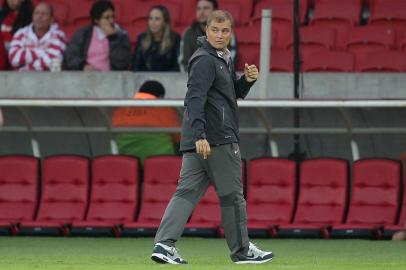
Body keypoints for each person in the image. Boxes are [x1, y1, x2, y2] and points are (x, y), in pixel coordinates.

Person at [150, 10, 273, 265]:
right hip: (215, 139)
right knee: (232, 196)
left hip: (200, 140)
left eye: (225, 31)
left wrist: (246, 82)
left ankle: (164, 244)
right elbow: (195, 100)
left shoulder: (220, 57)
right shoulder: (206, 60)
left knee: (185, 193)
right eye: (215, 30)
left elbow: (225, 97)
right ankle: (241, 251)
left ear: (231, 33)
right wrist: (200, 134)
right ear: (206, 31)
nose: (219, 35)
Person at [112, 80, 180, 164]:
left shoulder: (121, 109)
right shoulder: (164, 108)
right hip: (160, 164)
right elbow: (178, 138)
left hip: (127, 162)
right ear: (160, 97)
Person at [64, 0, 131, 71]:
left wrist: (112, 38)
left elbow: (122, 63)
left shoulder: (121, 35)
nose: (111, 21)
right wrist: (83, 65)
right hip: (86, 76)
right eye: (107, 17)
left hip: (111, 78)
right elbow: (71, 55)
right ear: (96, 19)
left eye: (113, 16)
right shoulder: (84, 33)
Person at [179, 0, 238, 71]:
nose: (201, 12)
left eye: (206, 8)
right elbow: (184, 63)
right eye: (199, 8)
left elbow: (231, 60)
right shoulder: (189, 33)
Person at [8, 2, 66, 71]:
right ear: (32, 17)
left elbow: (54, 60)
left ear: (51, 19)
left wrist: (26, 67)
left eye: (44, 14)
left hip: (49, 79)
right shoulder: (21, 33)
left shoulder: (59, 35)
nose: (39, 17)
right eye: (37, 13)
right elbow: (14, 58)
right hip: (21, 79)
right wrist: (42, 51)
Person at [132, 5, 180, 71]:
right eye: (150, 18)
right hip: (145, 79)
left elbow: (176, 67)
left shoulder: (175, 39)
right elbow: (136, 66)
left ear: (165, 22)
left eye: (157, 19)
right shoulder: (142, 38)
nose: (153, 23)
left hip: (168, 79)